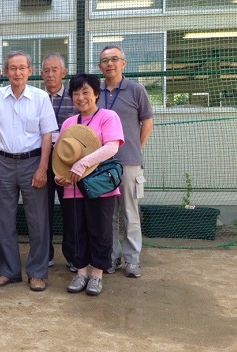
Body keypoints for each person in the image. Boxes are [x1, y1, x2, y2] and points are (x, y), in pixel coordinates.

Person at [0, 51, 57, 292]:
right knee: (4, 220)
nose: (17, 72)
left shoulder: (41, 97)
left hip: (33, 163)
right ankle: (10, 271)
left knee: (37, 221)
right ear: (5, 71)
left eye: (22, 68)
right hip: (2, 163)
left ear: (30, 70)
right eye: (12, 68)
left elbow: (48, 135)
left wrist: (43, 167)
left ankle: (37, 273)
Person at [53, 73, 124, 296]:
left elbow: (112, 147)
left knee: (100, 231)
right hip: (72, 188)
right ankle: (81, 272)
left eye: (86, 92)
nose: (81, 97)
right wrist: (59, 176)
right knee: (75, 231)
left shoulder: (108, 116)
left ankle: (97, 275)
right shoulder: (69, 123)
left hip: (99, 188)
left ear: (95, 94)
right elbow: (61, 155)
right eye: (76, 93)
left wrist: (82, 164)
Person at [97, 46, 153, 278]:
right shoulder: (95, 91)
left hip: (129, 163)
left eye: (114, 59)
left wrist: (135, 150)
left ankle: (132, 260)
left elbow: (147, 122)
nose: (110, 64)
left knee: (130, 212)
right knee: (108, 214)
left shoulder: (136, 89)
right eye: (105, 60)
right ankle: (112, 257)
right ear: (100, 66)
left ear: (124, 63)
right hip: (101, 164)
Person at [41, 52, 78, 270]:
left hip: (68, 165)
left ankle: (73, 256)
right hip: (43, 163)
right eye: (46, 70)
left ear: (63, 73)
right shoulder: (37, 98)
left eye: (55, 70)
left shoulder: (75, 99)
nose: (50, 74)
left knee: (70, 210)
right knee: (42, 211)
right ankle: (46, 255)